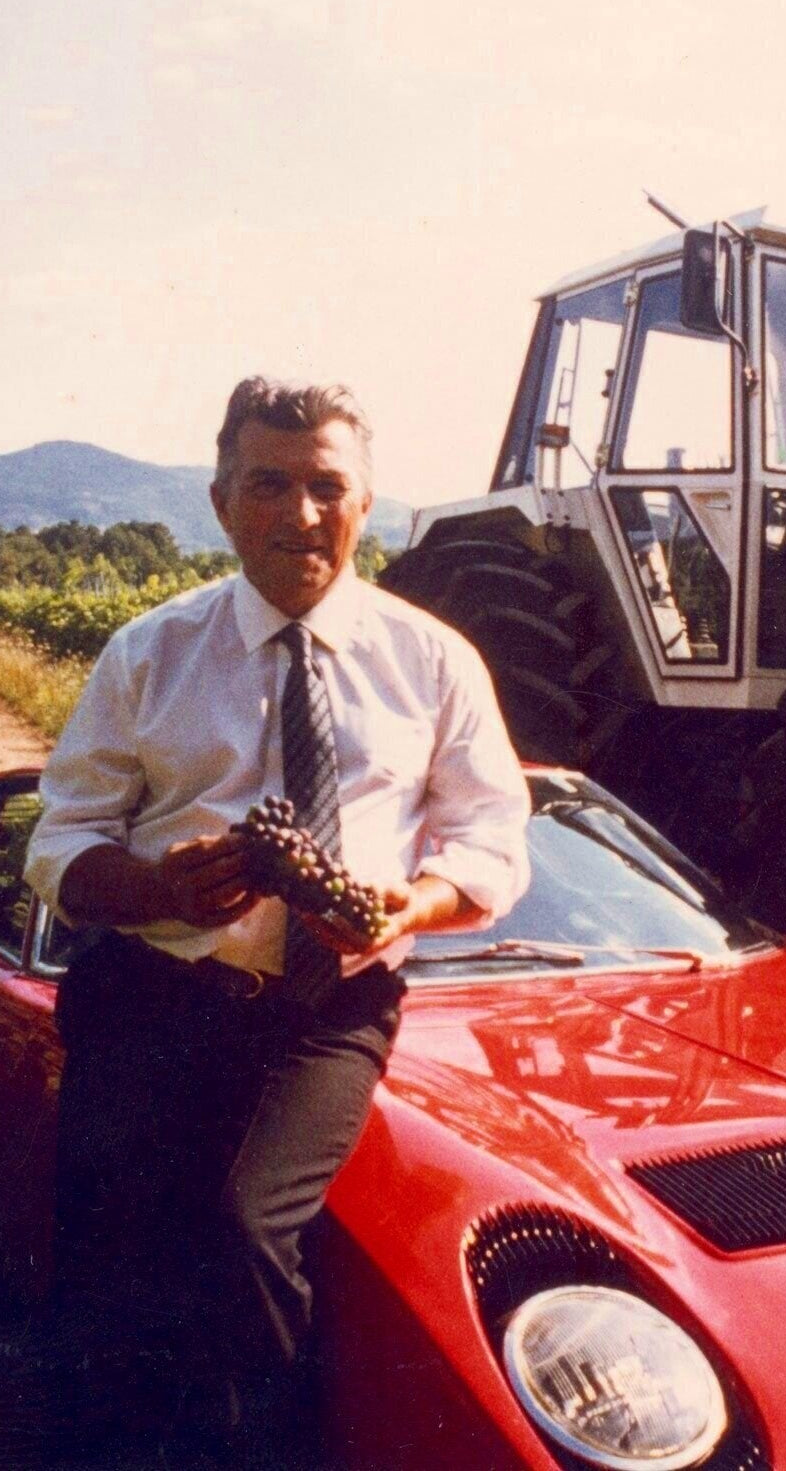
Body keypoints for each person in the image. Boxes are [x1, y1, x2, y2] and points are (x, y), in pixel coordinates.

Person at [21, 378, 530, 1464]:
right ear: (219, 501)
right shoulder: (150, 652)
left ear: (368, 503)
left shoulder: (434, 662)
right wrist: (159, 887)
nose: (300, 515)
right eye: (269, 484)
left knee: (248, 1229)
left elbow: (494, 842)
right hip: (155, 991)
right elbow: (60, 844)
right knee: (105, 1249)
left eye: (326, 486)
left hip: (325, 1010)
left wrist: (419, 900)